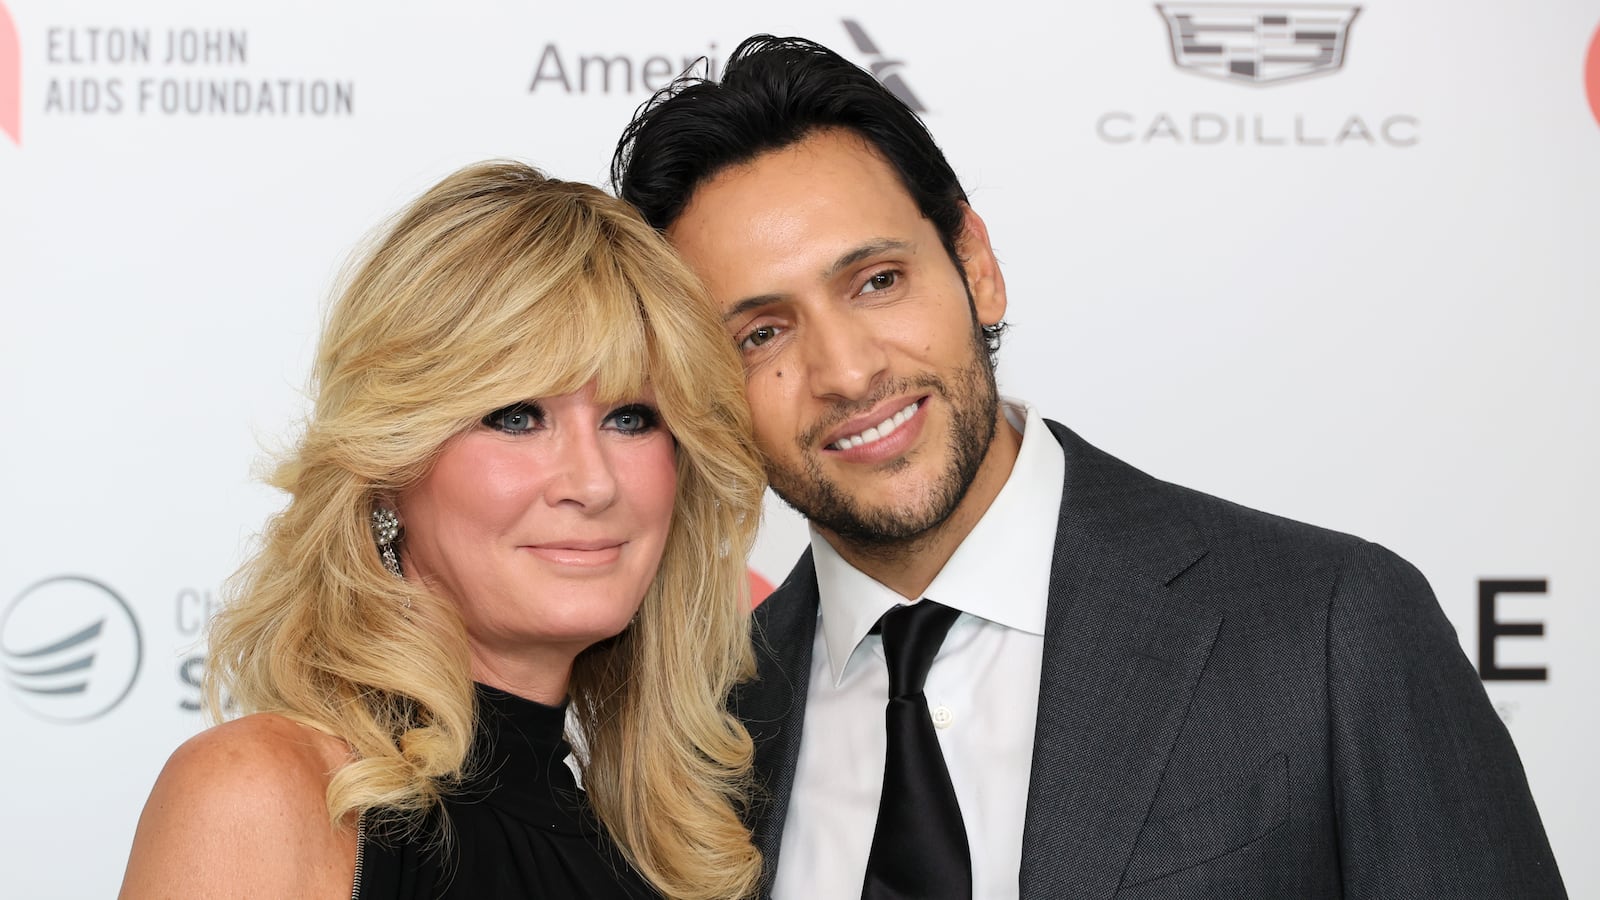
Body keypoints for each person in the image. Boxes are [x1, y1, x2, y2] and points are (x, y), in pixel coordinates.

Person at [611, 35, 1567, 900]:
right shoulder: (694, 738)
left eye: (878, 281)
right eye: (762, 333)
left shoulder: (1329, 629)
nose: (848, 372)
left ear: (976, 264)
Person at [118, 162, 766, 900]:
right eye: (517, 417)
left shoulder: (667, 857)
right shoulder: (263, 796)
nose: (593, 482)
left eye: (630, 418)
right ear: (389, 461)